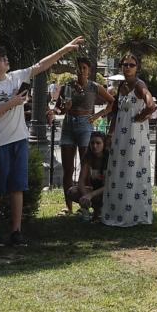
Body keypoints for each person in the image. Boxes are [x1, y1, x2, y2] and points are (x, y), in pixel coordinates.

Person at [0, 36, 87, 247]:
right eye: (1, 58)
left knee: (17, 187)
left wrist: (65, 49)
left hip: (19, 140)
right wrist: (12, 102)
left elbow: (41, 65)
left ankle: (16, 230)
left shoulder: (15, 77)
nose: (5, 60)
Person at [99, 54, 157, 227]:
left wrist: (141, 116)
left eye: (131, 65)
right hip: (120, 136)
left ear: (137, 67)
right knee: (119, 169)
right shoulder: (122, 85)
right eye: (125, 64)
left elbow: (151, 105)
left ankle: (134, 214)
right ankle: (118, 211)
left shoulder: (140, 85)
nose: (128, 67)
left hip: (134, 136)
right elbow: (116, 112)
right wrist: (110, 134)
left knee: (133, 170)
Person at [56, 58, 114, 216]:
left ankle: (85, 206)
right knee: (68, 169)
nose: (81, 70)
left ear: (89, 70)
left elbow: (112, 102)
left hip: (85, 125)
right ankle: (68, 207)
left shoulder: (94, 87)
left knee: (86, 167)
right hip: (68, 125)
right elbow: (59, 109)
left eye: (84, 68)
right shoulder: (67, 86)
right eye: (79, 68)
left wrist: (98, 115)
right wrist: (63, 108)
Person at [64, 136, 108, 220]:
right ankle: (91, 209)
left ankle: (99, 210)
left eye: (98, 143)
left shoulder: (109, 158)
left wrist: (91, 195)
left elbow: (109, 185)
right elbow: (81, 181)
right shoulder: (88, 157)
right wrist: (86, 196)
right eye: (92, 143)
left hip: (107, 192)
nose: (94, 146)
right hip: (94, 190)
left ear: (104, 144)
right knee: (72, 191)